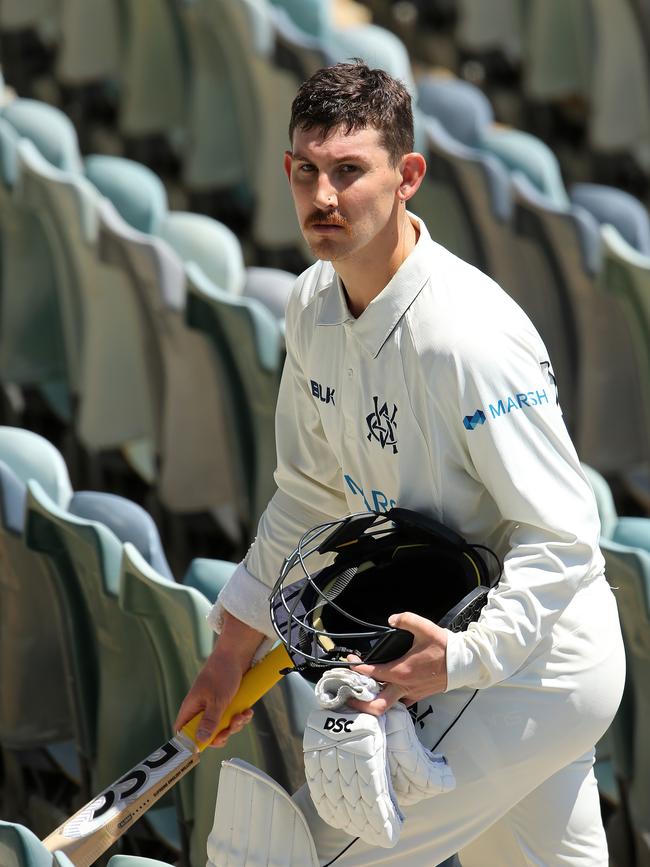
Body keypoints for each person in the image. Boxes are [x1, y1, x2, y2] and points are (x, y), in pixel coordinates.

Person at [175, 61, 625, 866]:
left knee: (296, 858)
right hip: (450, 658)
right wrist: (232, 642)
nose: (324, 197)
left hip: (531, 666)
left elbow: (564, 539)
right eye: (308, 171)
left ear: (407, 175)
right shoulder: (312, 301)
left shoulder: (469, 338)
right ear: (286, 170)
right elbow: (309, 494)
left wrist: (463, 658)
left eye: (350, 172)